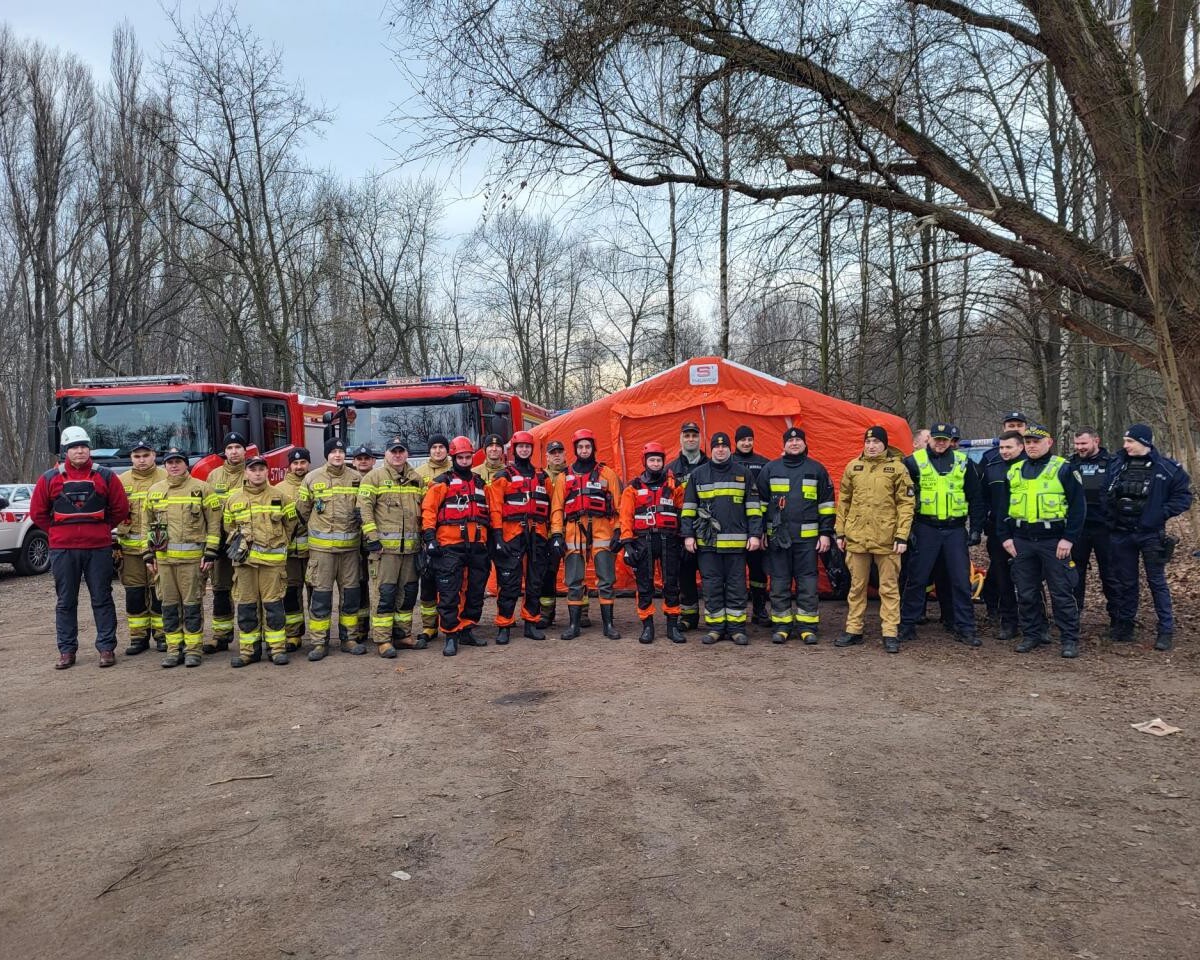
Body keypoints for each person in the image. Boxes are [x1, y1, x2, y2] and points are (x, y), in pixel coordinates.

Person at [31, 426, 131, 669]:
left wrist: (101, 528)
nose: (80, 451)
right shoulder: (49, 478)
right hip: (63, 550)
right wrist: (58, 532)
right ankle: (67, 651)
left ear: (89, 449)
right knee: (66, 601)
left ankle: (106, 648)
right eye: (74, 447)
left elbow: (120, 508)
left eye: (84, 446)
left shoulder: (106, 476)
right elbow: (37, 513)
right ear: (65, 451)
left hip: (98, 548)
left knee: (102, 598)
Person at [1104, 424, 1193, 651]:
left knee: (1157, 582)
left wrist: (1160, 513)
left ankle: (1165, 630)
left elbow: (1183, 497)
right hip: (1121, 533)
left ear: (1144, 442)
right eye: (1125, 441)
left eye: (1130, 441)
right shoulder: (1116, 464)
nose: (1125, 445)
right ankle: (1125, 626)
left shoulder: (1167, 468)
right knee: (1126, 582)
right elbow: (1105, 492)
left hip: (1150, 534)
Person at [1002, 424, 1087, 658]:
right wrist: (1006, 537)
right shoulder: (1014, 471)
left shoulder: (1063, 468)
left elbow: (1078, 508)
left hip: (1054, 541)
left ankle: (1069, 639)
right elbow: (1003, 508)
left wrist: (1068, 539)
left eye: (1036, 442)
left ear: (1049, 443)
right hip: (1022, 540)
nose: (1031, 446)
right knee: (1026, 592)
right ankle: (1032, 634)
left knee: (1061, 592)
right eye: (1028, 442)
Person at [899, 422, 987, 646]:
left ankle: (965, 628)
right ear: (929, 439)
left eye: (944, 440)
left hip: (954, 529)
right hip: (925, 527)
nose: (940, 443)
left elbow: (976, 498)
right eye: (936, 439)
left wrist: (976, 529)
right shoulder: (912, 462)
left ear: (950, 441)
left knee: (960, 580)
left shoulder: (963, 463)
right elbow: (901, 499)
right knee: (916, 578)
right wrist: (906, 530)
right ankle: (906, 625)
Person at [834, 427, 914, 653]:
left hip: (887, 539)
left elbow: (906, 504)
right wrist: (840, 532)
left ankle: (890, 632)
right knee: (856, 587)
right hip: (857, 537)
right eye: (868, 442)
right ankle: (854, 629)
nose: (871, 446)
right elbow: (844, 501)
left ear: (885, 445)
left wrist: (902, 535)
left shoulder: (897, 468)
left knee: (888, 588)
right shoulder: (853, 467)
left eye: (876, 442)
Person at [682, 432, 763, 644]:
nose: (720, 450)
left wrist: (755, 535)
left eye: (724, 446)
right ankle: (716, 628)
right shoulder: (698, 474)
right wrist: (688, 535)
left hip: (736, 545)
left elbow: (753, 508)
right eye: (716, 447)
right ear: (711, 450)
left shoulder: (744, 473)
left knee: (737, 587)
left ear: (729, 449)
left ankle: (737, 629)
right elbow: (688, 509)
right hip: (708, 544)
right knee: (712, 587)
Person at [756, 427, 834, 644]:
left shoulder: (817, 470)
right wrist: (761, 532)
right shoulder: (770, 469)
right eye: (790, 441)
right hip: (778, 539)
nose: (794, 443)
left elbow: (827, 505)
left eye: (798, 440)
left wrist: (825, 534)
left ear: (805, 444)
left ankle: (807, 627)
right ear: (784, 445)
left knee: (808, 584)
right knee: (779, 583)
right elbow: (759, 505)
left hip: (808, 540)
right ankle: (782, 626)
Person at [144, 448, 220, 667]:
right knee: (168, 607)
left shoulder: (202, 489)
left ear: (186, 464)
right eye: (170, 462)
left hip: (192, 561)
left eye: (178, 461)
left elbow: (214, 524)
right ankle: (173, 650)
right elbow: (145, 525)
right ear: (165, 465)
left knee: (192, 606)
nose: (174, 465)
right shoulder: (155, 490)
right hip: (164, 562)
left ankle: (193, 650)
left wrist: (211, 552)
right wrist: (148, 554)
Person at [223, 455, 298, 666]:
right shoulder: (233, 499)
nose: (257, 473)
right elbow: (229, 527)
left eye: (261, 469)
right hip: (244, 564)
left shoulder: (281, 497)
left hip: (272, 565)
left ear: (267, 472)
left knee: (273, 606)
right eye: (253, 469)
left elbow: (291, 525)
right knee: (247, 607)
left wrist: (278, 544)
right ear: (246, 472)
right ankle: (249, 651)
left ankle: (277, 649)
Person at [421, 436, 492, 656]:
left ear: (472, 457)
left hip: (477, 545)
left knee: (475, 591)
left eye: (467, 457)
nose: (464, 461)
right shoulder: (442, 482)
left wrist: (493, 540)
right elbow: (429, 511)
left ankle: (467, 629)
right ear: (453, 458)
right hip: (449, 545)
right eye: (460, 457)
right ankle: (450, 634)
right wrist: (430, 538)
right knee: (449, 592)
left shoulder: (480, 483)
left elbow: (490, 513)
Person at [549, 428, 623, 640]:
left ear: (593, 448)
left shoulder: (607, 474)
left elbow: (619, 506)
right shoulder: (564, 477)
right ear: (575, 449)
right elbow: (557, 509)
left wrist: (619, 530)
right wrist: (557, 534)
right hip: (573, 532)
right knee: (573, 581)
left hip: (602, 530)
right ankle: (574, 625)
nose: (584, 450)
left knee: (606, 580)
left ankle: (608, 625)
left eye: (587, 446)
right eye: (580, 447)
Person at [297, 438, 364, 661]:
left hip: (350, 551)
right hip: (322, 552)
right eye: (333, 451)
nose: (337, 455)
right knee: (321, 597)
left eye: (341, 451)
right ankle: (319, 643)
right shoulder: (311, 478)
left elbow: (363, 509)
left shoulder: (356, 478)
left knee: (351, 596)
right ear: (327, 455)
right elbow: (302, 512)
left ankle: (349, 639)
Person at [359, 436, 426, 656]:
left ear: (407, 454)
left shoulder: (416, 479)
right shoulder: (373, 477)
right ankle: (383, 639)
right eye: (393, 451)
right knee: (385, 594)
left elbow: (424, 511)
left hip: (411, 550)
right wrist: (372, 538)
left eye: (401, 451)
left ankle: (403, 635)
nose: (397, 455)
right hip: (384, 551)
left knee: (407, 594)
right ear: (386, 454)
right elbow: (364, 509)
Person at [487, 431, 551, 644]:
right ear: (514, 449)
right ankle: (504, 624)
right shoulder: (503, 476)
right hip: (511, 534)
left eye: (527, 446)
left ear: (532, 449)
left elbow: (551, 507)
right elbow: (495, 508)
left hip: (538, 534)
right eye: (520, 446)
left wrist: (552, 535)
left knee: (535, 582)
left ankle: (531, 623)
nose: (524, 449)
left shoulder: (542, 477)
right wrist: (497, 536)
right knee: (509, 582)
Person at [619, 441, 686, 644]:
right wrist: (627, 544)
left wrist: (684, 539)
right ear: (645, 462)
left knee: (671, 584)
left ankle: (672, 626)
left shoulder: (674, 486)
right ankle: (647, 626)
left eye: (659, 460)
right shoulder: (633, 487)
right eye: (652, 460)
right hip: (643, 541)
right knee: (644, 585)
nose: (656, 464)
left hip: (669, 540)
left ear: (663, 462)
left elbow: (683, 513)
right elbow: (625, 517)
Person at [115, 439, 167, 655]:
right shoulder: (120, 481)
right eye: (137, 456)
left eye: (146, 455)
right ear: (131, 458)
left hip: (159, 551)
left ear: (154, 455)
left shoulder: (166, 478)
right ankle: (138, 638)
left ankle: (163, 636)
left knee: (159, 594)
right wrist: (114, 544)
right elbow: (113, 513)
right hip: (130, 552)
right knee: (134, 595)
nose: (142, 460)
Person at [1069, 428, 1121, 635]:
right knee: (1074, 575)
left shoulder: (1113, 463)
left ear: (1096, 441)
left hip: (1105, 529)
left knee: (1111, 574)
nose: (1080, 448)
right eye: (1077, 444)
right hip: (1078, 529)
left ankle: (1118, 619)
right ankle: (1072, 618)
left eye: (1084, 443)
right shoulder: (1070, 464)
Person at [203, 432, 249, 653]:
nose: (234, 451)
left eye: (238, 447)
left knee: (249, 591)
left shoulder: (253, 472)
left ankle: (253, 636)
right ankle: (221, 636)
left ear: (245, 451)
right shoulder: (214, 476)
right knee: (221, 590)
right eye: (229, 448)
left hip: (246, 543)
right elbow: (209, 511)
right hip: (221, 543)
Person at [982, 431, 1026, 640]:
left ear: (1020, 447)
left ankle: (1037, 622)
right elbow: (982, 498)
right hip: (999, 532)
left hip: (1026, 532)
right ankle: (1008, 622)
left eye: (1009, 447)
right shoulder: (992, 467)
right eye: (1001, 447)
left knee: (1030, 579)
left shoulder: (1031, 467)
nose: (1004, 451)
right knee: (1003, 578)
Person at [666, 421, 709, 630]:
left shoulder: (711, 466)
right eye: (687, 435)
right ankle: (688, 617)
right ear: (681, 439)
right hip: (681, 533)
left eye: (694, 435)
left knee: (712, 576)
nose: (690, 439)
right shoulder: (671, 469)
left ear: (700, 439)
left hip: (708, 531)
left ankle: (715, 617)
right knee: (685, 577)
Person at [731, 425, 770, 626]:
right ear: (735, 441)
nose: (746, 443)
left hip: (756, 526)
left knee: (758, 571)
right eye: (742, 440)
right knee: (734, 573)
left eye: (749, 439)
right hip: (733, 528)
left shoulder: (764, 463)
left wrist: (762, 530)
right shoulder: (727, 462)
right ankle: (735, 614)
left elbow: (769, 498)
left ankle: (759, 609)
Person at [416, 434, 453, 645]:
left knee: (451, 584)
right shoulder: (419, 473)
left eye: (441, 447)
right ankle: (429, 626)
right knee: (428, 583)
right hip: (427, 534)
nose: (438, 451)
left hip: (451, 535)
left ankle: (453, 622)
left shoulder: (456, 470)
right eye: (434, 447)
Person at [280, 448, 311, 650]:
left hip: (313, 551)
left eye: (303, 463)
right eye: (295, 463)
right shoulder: (278, 489)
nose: (299, 467)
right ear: (289, 466)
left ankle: (318, 634)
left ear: (309, 464)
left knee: (316, 593)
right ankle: (293, 635)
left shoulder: (315, 483)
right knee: (291, 593)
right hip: (289, 554)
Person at [537, 439, 569, 628]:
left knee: (576, 572)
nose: (556, 455)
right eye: (553, 453)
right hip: (549, 533)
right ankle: (546, 613)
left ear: (565, 455)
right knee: (547, 573)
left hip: (572, 531)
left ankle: (581, 612)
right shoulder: (540, 477)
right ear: (547, 457)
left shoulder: (573, 474)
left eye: (559, 452)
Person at [350, 444, 378, 648]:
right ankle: (361, 628)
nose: (363, 462)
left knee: (378, 585)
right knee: (359, 584)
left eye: (366, 458)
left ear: (373, 461)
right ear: (353, 461)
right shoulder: (347, 480)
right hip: (354, 540)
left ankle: (380, 629)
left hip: (375, 540)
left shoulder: (379, 479)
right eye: (359, 458)